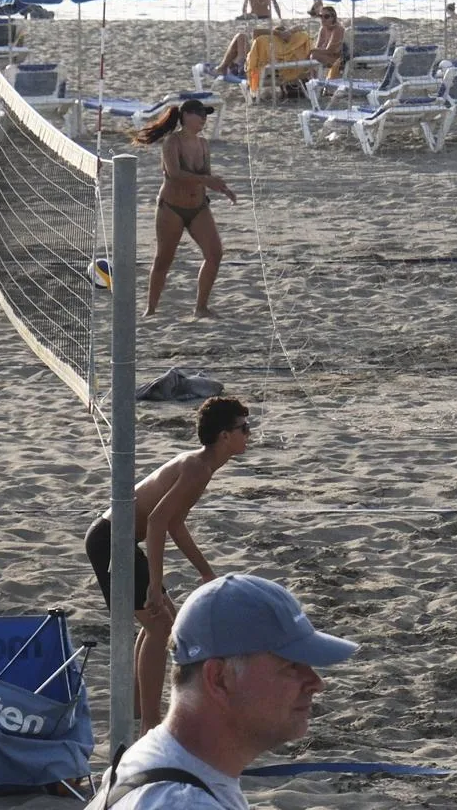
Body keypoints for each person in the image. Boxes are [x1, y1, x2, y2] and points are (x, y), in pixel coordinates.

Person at [85, 573, 358, 809]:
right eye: (290, 666)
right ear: (219, 679)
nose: (316, 683)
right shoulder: (182, 802)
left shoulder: (165, 760)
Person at [84, 397, 251, 737]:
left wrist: (204, 571)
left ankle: (136, 713)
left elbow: (175, 524)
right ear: (223, 436)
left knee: (158, 626)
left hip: (120, 540)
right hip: (111, 542)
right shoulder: (197, 468)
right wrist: (154, 586)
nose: (249, 434)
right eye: (244, 428)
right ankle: (149, 723)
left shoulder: (200, 466)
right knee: (161, 626)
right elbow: (158, 523)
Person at [136, 100, 236, 319]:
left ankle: (201, 307)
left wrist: (223, 188)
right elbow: (175, 174)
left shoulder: (203, 144)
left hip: (198, 207)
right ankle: (151, 310)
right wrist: (206, 180)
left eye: (206, 115)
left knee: (215, 254)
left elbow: (207, 176)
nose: (204, 118)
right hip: (171, 207)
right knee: (163, 259)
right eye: (200, 114)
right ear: (186, 116)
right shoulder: (172, 142)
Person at [311, 5, 344, 76]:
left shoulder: (338, 29)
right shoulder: (323, 29)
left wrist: (311, 51)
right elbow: (318, 47)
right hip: (327, 58)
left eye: (326, 16)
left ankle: (312, 79)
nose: (323, 19)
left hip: (338, 61)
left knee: (314, 55)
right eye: (321, 16)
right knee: (310, 54)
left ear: (333, 18)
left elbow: (330, 50)